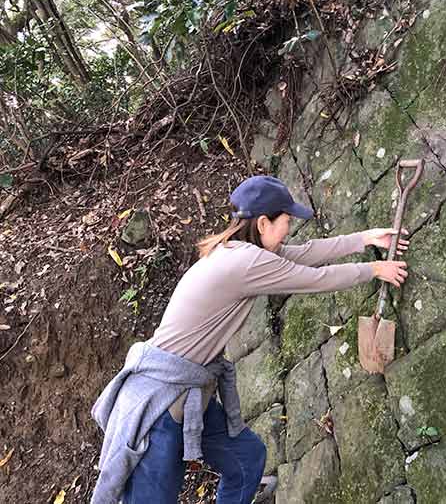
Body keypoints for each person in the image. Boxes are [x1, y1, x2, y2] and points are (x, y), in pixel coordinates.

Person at [90, 175, 409, 504]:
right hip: (160, 407)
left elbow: (305, 253)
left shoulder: (236, 251)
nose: (289, 227)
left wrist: (365, 238)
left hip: (191, 393)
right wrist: (372, 269)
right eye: (286, 221)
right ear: (262, 223)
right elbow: (316, 278)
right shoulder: (245, 262)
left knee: (246, 458)